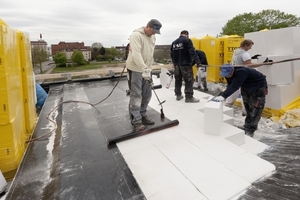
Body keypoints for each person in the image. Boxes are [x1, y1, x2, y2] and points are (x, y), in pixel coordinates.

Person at [212, 64, 268, 136]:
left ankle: (250, 130)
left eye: (228, 74)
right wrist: (220, 95)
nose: (227, 76)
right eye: (225, 75)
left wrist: (224, 96)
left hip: (258, 86)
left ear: (232, 70)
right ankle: (248, 126)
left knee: (255, 109)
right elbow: (230, 85)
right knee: (247, 106)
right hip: (245, 86)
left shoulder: (242, 72)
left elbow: (235, 86)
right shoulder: (228, 74)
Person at [126, 19, 162, 131]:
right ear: (147, 26)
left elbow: (149, 53)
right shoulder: (136, 35)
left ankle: (142, 114)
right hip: (136, 69)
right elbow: (136, 54)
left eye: (156, 32)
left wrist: (148, 69)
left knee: (147, 94)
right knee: (136, 94)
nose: (154, 33)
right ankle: (136, 121)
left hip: (147, 69)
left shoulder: (153, 37)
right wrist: (144, 69)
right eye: (153, 30)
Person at [225, 39, 266, 116]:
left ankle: (227, 105)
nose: (250, 48)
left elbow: (241, 60)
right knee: (245, 93)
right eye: (250, 46)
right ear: (246, 45)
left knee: (235, 90)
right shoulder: (245, 54)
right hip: (243, 75)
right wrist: (262, 63)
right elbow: (249, 65)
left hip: (235, 73)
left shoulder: (236, 51)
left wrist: (251, 58)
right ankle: (245, 111)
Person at [170, 30, 202, 103]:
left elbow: (171, 54)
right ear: (187, 34)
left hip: (176, 65)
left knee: (178, 80)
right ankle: (189, 97)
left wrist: (174, 63)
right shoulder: (187, 40)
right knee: (189, 80)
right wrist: (198, 62)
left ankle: (178, 95)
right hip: (185, 64)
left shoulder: (174, 42)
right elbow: (192, 52)